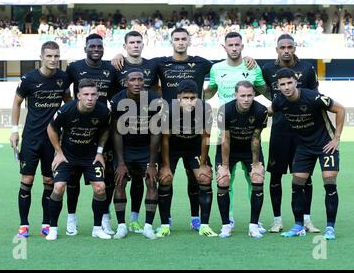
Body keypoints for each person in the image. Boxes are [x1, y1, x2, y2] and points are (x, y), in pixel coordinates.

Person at [112, 27, 257, 231]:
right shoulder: (160, 63)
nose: (180, 42)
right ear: (171, 41)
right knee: (165, 177)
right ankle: (166, 220)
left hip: (194, 128)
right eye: (176, 39)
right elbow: (138, 63)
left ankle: (196, 218)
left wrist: (245, 58)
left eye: (183, 39)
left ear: (189, 41)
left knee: (196, 177)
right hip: (169, 126)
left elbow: (225, 64)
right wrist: (119, 56)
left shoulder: (200, 63)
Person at [268, 68, 345, 240]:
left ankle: (330, 228)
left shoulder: (314, 97)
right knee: (297, 184)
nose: (286, 87)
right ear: (278, 86)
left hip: (326, 145)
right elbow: (266, 112)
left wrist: (337, 138)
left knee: (329, 183)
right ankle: (297, 225)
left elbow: (340, 109)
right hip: (304, 147)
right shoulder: (279, 101)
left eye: (289, 83)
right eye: (282, 84)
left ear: (296, 82)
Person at [204, 31, 267, 232]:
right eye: (230, 45)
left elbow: (264, 88)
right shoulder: (216, 68)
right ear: (225, 47)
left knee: (255, 177)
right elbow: (210, 91)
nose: (234, 48)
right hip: (225, 129)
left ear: (242, 46)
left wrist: (277, 104)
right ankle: (228, 220)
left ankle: (255, 222)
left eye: (237, 44)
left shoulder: (252, 66)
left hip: (248, 130)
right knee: (225, 178)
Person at [10, 41, 71, 238]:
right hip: (31, 138)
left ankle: (46, 223)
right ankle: (24, 224)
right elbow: (17, 102)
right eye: (49, 56)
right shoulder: (29, 79)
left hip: (52, 140)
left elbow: (68, 102)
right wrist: (14, 130)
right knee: (27, 180)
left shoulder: (63, 78)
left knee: (49, 181)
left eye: (56, 56)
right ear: (41, 57)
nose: (53, 60)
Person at [261, 34, 320, 233]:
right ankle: (277, 220)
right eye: (282, 47)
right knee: (276, 176)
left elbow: (315, 97)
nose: (286, 50)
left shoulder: (307, 69)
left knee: (305, 177)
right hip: (279, 131)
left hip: (304, 133)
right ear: (276, 49)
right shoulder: (268, 69)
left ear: (295, 47)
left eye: (289, 47)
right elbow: (263, 89)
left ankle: (306, 219)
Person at [45, 79, 112, 241]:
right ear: (78, 96)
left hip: (90, 157)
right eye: (86, 95)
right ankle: (53, 228)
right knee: (59, 187)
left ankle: (97, 228)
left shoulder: (103, 112)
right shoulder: (66, 110)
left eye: (93, 94)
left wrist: (99, 152)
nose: (90, 98)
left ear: (97, 96)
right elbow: (51, 128)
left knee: (100, 188)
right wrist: (59, 152)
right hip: (68, 157)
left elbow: (105, 130)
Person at [65, 33, 117, 236]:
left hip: (102, 128)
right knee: (73, 176)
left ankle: (104, 217)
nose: (96, 49)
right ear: (85, 48)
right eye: (92, 46)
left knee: (107, 175)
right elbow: (64, 90)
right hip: (78, 128)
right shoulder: (74, 68)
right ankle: (71, 217)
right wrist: (72, 108)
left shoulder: (110, 69)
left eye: (99, 46)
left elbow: (114, 94)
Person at [112, 30, 161, 234]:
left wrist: (151, 163)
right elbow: (116, 133)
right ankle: (122, 225)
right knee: (120, 179)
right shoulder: (117, 100)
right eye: (133, 80)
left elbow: (155, 133)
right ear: (126, 82)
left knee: (150, 180)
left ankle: (148, 225)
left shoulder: (152, 100)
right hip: (125, 148)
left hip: (145, 149)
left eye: (140, 80)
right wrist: (121, 162)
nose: (137, 83)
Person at [156, 79, 217, 238]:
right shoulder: (169, 110)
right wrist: (166, 166)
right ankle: (165, 224)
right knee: (165, 179)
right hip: (173, 148)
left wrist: (203, 164)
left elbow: (206, 137)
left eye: (193, 98)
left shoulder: (205, 109)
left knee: (203, 178)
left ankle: (201, 223)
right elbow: (165, 139)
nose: (189, 102)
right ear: (178, 98)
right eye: (185, 98)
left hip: (194, 148)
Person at [216, 81, 268, 238]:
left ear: (254, 95)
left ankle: (254, 225)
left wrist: (256, 164)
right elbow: (225, 139)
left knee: (258, 179)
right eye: (242, 95)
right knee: (223, 180)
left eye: (249, 95)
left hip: (249, 148)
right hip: (228, 149)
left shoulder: (261, 110)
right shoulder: (225, 110)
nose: (246, 99)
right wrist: (224, 166)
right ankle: (226, 224)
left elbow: (256, 138)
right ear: (235, 95)